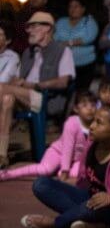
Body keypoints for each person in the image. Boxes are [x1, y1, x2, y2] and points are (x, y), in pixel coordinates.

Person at [20, 101, 110, 228]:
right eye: (93, 120)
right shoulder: (92, 143)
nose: (91, 126)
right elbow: (83, 178)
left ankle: (55, 224)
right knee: (41, 185)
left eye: (99, 123)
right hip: (91, 200)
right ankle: (94, 225)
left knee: (88, 209)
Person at [0, 12, 75, 168]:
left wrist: (35, 85)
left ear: (47, 28)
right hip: (24, 97)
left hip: (45, 99)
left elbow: (63, 82)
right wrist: (17, 82)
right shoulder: (28, 52)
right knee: (7, 99)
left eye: (33, 27)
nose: (29, 31)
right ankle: (2, 155)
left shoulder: (62, 51)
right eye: (28, 28)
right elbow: (19, 80)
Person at [0, 91, 96, 181]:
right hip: (58, 152)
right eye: (84, 105)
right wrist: (65, 169)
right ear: (76, 109)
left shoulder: (96, 125)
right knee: (45, 170)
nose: (90, 108)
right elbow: (68, 148)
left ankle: (59, 171)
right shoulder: (72, 123)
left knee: (79, 173)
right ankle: (8, 174)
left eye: (93, 105)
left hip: (76, 160)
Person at [54, 0, 99, 92]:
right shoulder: (61, 22)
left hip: (85, 64)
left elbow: (89, 38)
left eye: (76, 6)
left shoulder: (89, 21)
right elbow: (55, 38)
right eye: (70, 6)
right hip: (64, 63)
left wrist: (68, 43)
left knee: (82, 92)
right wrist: (76, 42)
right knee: (64, 91)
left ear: (83, 9)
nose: (73, 9)